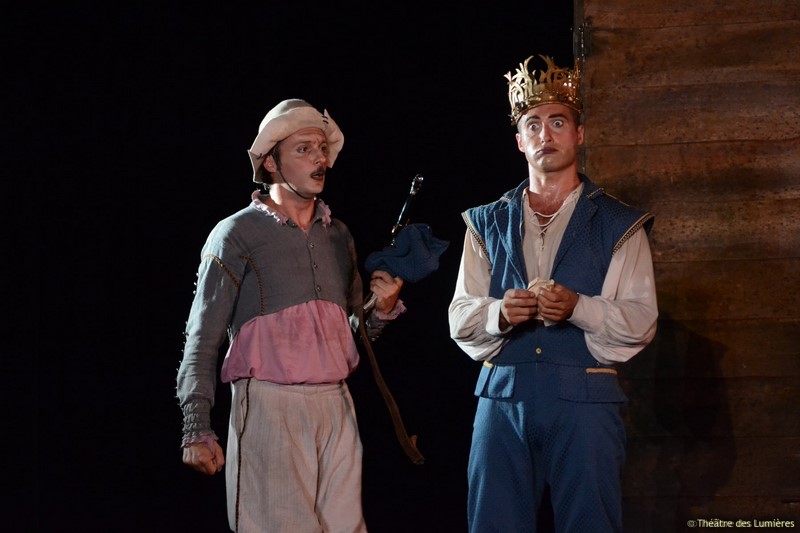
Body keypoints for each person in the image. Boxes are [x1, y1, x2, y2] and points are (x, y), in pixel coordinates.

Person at [448, 55, 658, 532]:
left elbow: (641, 316)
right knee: (494, 522)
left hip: (585, 399)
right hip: (502, 397)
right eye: (533, 125)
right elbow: (460, 312)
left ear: (578, 134)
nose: (546, 134)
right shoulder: (485, 222)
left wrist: (579, 307)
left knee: (590, 522)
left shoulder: (618, 223)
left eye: (558, 122)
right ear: (520, 141)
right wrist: (500, 313)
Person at [176, 98, 405, 533]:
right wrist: (196, 426)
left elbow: (352, 335)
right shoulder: (236, 233)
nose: (320, 159)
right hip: (270, 405)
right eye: (304, 149)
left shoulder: (338, 235)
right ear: (270, 162)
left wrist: (382, 310)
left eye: (322, 148)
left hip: (336, 405)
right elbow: (202, 336)